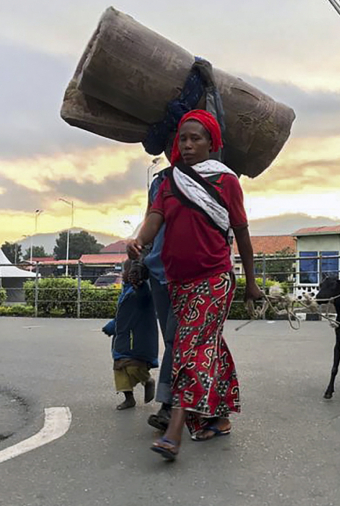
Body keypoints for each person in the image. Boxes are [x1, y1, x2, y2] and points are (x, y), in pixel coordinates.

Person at [127, 109, 262, 462]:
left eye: (195, 138)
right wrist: (138, 241)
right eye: (182, 139)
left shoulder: (225, 182)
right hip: (178, 282)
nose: (187, 145)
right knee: (207, 344)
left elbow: (242, 233)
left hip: (214, 279)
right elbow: (154, 219)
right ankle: (219, 417)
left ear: (211, 143)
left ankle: (173, 432)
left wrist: (251, 282)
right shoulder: (169, 181)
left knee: (189, 347)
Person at [142, 166, 178, 431]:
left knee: (177, 340)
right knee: (171, 340)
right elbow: (150, 220)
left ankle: (168, 405)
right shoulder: (159, 182)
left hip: (191, 274)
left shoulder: (216, 176)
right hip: (158, 270)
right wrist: (140, 256)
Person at [101, 260, 159, 410]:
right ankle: (129, 398)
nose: (124, 273)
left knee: (134, 366)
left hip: (137, 339)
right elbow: (123, 316)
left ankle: (147, 380)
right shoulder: (126, 291)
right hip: (123, 339)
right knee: (119, 369)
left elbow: (143, 295)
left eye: (127, 270)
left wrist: (140, 283)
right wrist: (112, 327)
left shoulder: (142, 290)